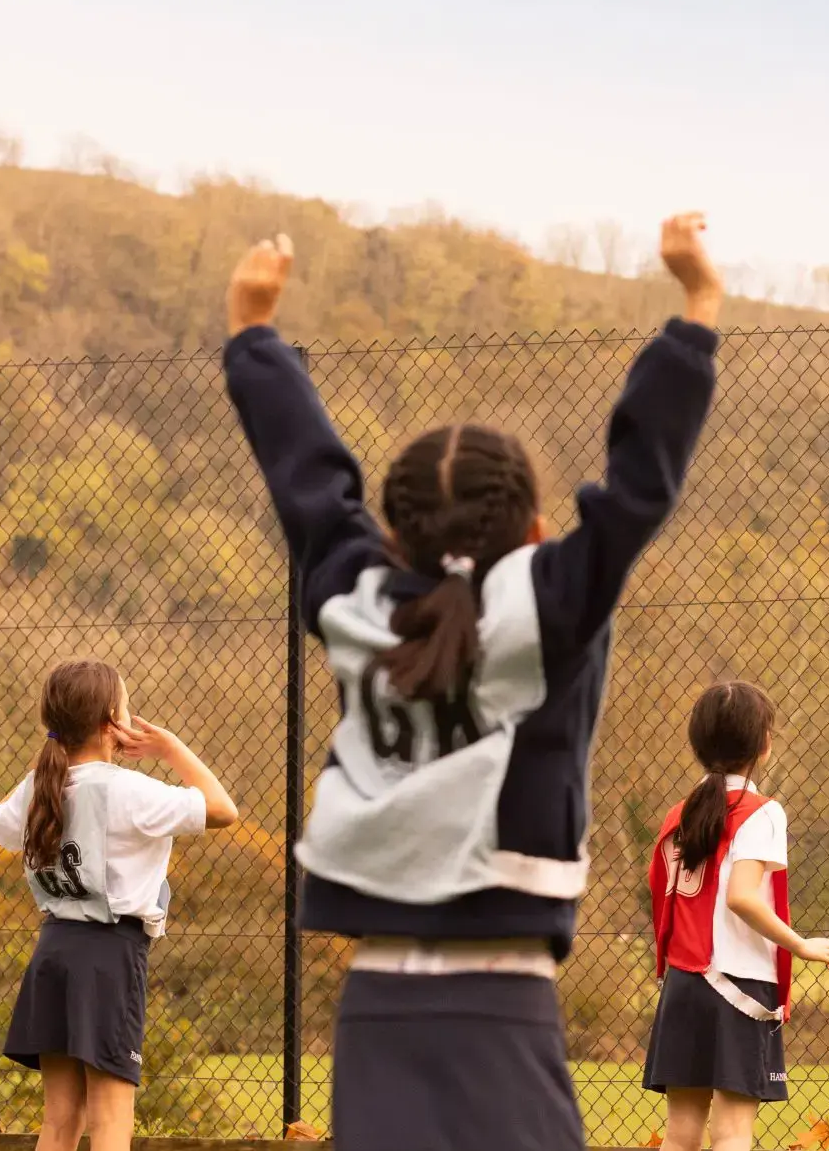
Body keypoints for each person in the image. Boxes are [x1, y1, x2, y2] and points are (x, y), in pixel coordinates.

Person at [221, 214, 724, 1151]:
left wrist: (255, 335)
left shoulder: (355, 601)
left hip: (373, 1010)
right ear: (536, 525)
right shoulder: (551, 607)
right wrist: (694, 313)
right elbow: (635, 490)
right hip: (503, 1003)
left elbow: (311, 488)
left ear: (394, 536)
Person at [0, 660, 238, 1151]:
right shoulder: (129, 791)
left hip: (53, 953)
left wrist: (50, 761)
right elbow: (223, 810)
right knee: (110, 1119)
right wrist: (169, 747)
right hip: (109, 956)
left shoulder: (39, 787)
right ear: (112, 720)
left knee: (59, 1119)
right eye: (126, 705)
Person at [644, 680, 829, 1151]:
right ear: (764, 744)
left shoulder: (678, 815)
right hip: (737, 986)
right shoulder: (762, 812)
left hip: (682, 985)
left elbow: (660, 892)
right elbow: (742, 897)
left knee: (681, 1134)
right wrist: (801, 944)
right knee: (732, 1133)